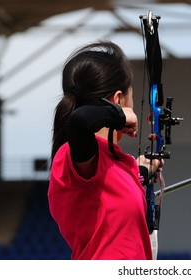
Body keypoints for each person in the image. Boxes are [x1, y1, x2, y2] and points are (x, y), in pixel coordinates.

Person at [48, 41, 162, 260]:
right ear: (118, 100)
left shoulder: (115, 160)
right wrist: (118, 115)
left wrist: (143, 170)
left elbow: (111, 193)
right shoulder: (72, 155)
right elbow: (79, 123)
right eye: (130, 97)